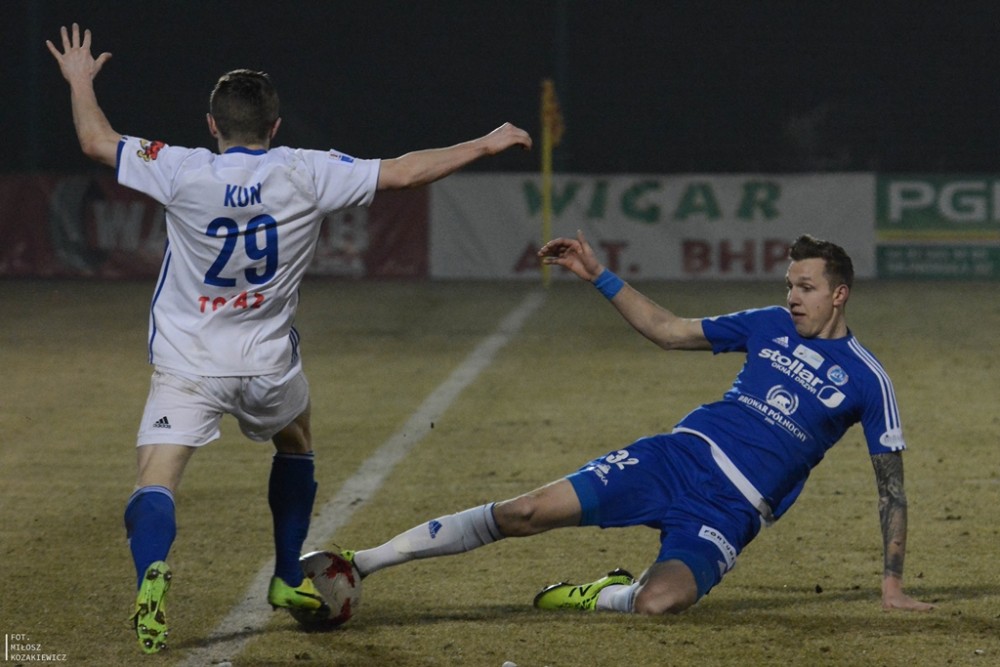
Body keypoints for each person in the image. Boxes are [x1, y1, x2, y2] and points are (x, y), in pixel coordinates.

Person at [46, 23, 532, 654]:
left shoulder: (179, 168)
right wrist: (486, 143)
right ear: (274, 127)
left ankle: (152, 575)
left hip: (188, 362)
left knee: (156, 480)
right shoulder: (306, 171)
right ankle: (283, 575)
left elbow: (95, 140)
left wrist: (80, 80)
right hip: (268, 362)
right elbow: (405, 173)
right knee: (296, 440)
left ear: (212, 125)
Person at [328, 230, 934, 619]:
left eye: (806, 287)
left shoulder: (867, 379)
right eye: (790, 285)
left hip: (731, 511)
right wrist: (599, 275)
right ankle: (362, 562)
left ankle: (602, 593)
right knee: (525, 512)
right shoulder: (768, 323)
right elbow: (669, 331)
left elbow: (893, 490)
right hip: (677, 460)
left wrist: (891, 583)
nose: (794, 297)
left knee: (656, 603)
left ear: (839, 295)